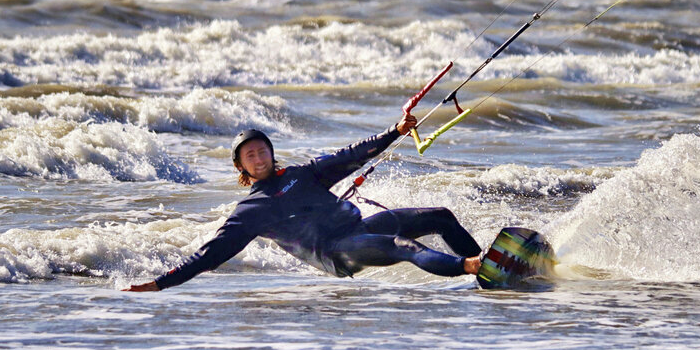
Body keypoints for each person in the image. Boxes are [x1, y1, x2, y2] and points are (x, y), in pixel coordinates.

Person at [123, 114, 483, 292]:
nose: (259, 157)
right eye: (250, 155)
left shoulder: (300, 174)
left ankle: (491, 272)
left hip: (357, 229)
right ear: (241, 166)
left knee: (441, 216)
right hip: (336, 252)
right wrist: (158, 284)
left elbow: (349, 156)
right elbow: (209, 255)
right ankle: (470, 266)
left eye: (263, 150)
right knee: (403, 246)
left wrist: (394, 132)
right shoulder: (252, 211)